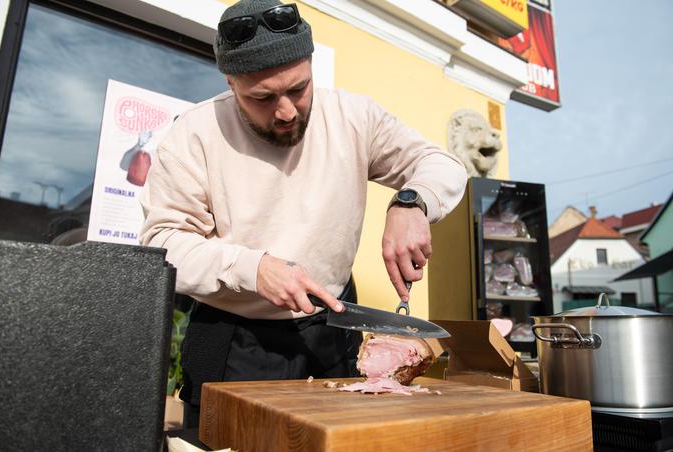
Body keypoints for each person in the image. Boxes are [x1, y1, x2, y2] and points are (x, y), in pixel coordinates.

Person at [140, 0, 467, 426]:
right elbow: (162, 245)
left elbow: (443, 165)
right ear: (230, 81)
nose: (286, 111)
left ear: (311, 64)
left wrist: (411, 203)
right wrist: (252, 267)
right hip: (237, 338)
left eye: (299, 88)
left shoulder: (354, 117)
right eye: (261, 97)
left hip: (333, 334)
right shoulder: (194, 134)